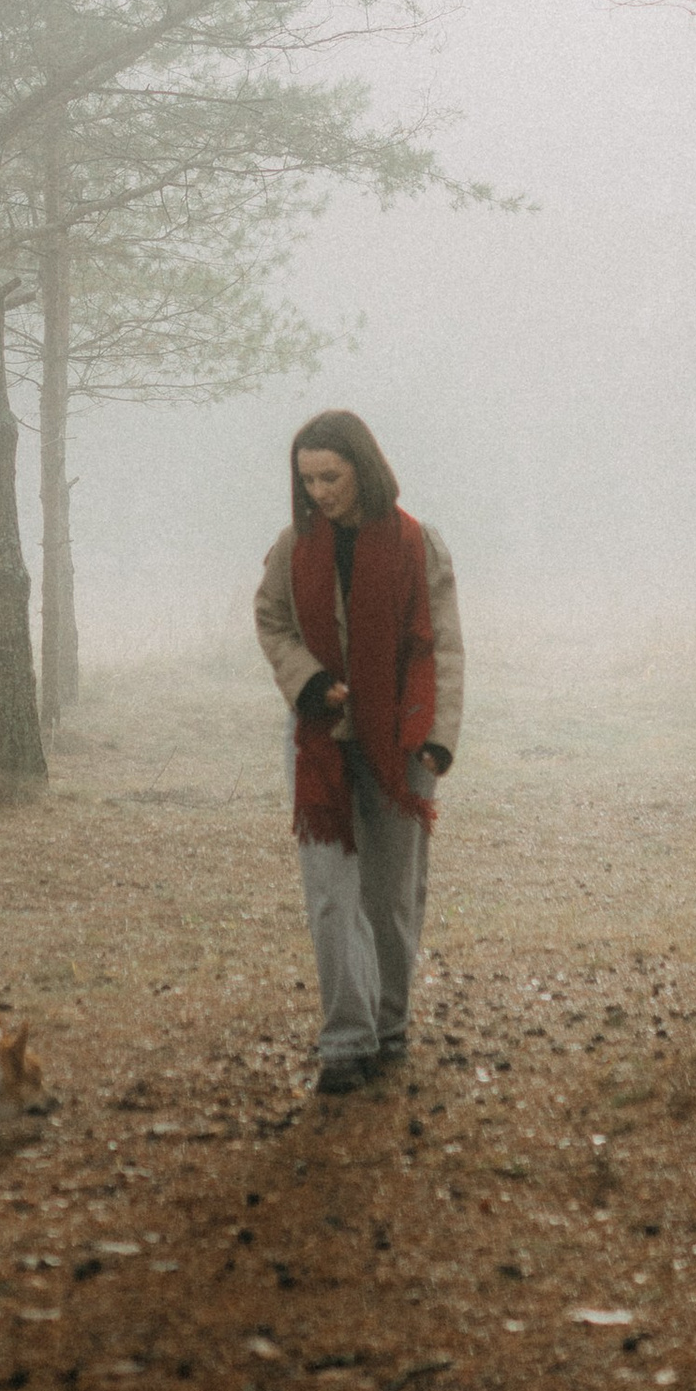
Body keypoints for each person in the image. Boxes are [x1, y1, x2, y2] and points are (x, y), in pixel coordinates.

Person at [253, 409, 463, 1096]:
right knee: (330, 896)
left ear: (362, 470)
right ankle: (346, 1041)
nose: (319, 491)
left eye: (331, 477)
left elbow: (439, 644)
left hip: (399, 741)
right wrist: (309, 683)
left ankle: (391, 1025)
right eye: (307, 478)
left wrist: (436, 736)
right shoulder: (293, 546)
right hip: (320, 743)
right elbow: (273, 620)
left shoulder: (415, 543)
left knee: (390, 895)